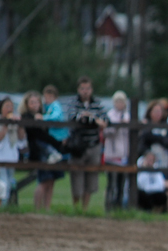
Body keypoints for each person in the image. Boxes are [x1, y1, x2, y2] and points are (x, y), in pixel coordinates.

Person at [19, 91, 65, 210]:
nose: (35, 104)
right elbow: (39, 136)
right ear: (26, 104)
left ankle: (47, 208)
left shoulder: (43, 115)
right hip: (39, 152)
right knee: (44, 180)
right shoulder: (27, 117)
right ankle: (37, 208)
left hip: (48, 150)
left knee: (51, 180)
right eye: (32, 102)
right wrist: (57, 143)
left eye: (37, 102)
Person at [67, 75, 108, 210]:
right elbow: (76, 118)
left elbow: (106, 119)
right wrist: (94, 120)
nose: (85, 91)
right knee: (77, 177)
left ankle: (84, 209)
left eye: (88, 88)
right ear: (79, 89)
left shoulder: (97, 103)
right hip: (78, 146)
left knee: (91, 178)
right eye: (83, 88)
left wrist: (90, 117)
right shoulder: (73, 103)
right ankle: (76, 207)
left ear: (91, 89)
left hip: (94, 145)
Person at [103, 90, 130, 210]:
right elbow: (106, 132)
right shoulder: (110, 115)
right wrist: (118, 125)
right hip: (112, 154)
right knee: (112, 183)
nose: (120, 104)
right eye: (118, 101)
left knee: (121, 184)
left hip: (124, 154)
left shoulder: (128, 115)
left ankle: (119, 208)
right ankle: (109, 207)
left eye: (122, 101)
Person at [0, 97, 25, 205]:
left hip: (11, 157)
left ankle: (6, 206)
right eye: (7, 106)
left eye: (11, 106)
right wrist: (6, 123)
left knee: (11, 183)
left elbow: (22, 138)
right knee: (4, 183)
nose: (10, 108)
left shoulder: (14, 121)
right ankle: (2, 207)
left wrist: (20, 125)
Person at [138, 100, 168, 168]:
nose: (158, 113)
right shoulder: (145, 126)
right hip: (148, 159)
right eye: (155, 111)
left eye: (159, 111)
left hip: (164, 158)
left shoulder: (166, 126)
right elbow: (142, 143)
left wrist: (154, 137)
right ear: (150, 112)